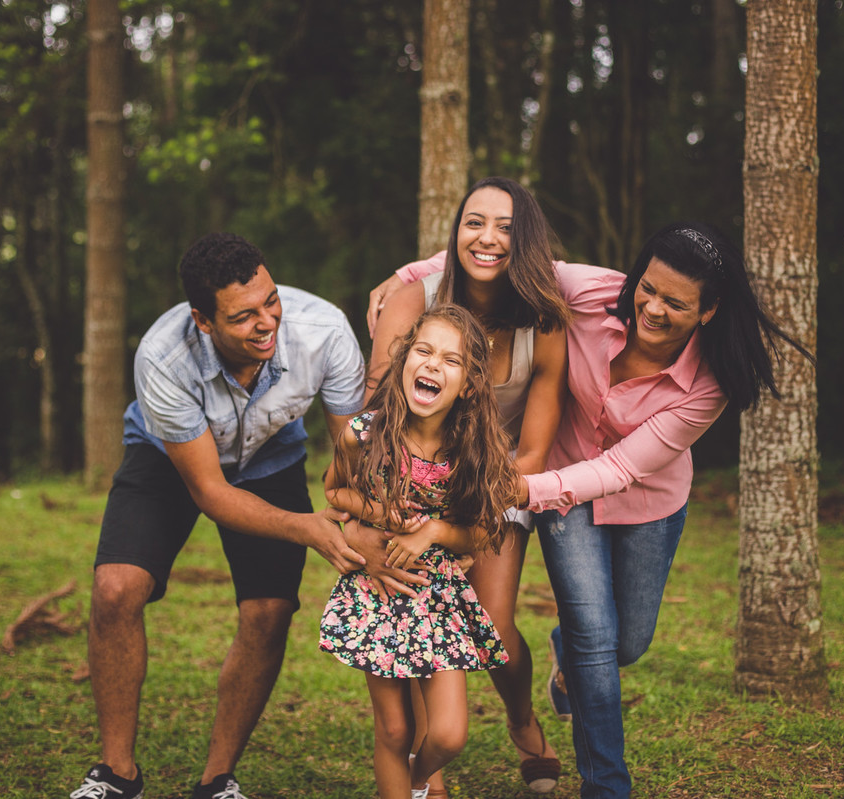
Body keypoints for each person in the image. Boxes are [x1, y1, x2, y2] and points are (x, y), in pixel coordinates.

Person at [372, 222, 813, 798]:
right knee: (596, 638)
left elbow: (619, 470)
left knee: (627, 643)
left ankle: (567, 654)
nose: (651, 308)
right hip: (565, 489)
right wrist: (407, 276)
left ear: (707, 311)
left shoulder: (710, 383)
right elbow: (502, 257)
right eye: (647, 288)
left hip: (646, 502)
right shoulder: (590, 291)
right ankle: (606, 785)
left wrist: (516, 490)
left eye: (675, 303)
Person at [71, 233, 369, 799]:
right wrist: (306, 528)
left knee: (270, 611)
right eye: (243, 316)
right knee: (115, 589)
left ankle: (217, 780)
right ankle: (116, 774)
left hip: (273, 455)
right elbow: (209, 490)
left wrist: (363, 519)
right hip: (169, 459)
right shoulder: (163, 357)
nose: (267, 322)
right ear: (203, 321)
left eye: (271, 301)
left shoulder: (325, 331)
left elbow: (354, 455)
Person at [366, 176, 571, 795]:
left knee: (493, 623)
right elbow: (378, 413)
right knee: (416, 606)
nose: (487, 238)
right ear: (455, 231)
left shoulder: (545, 321)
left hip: (498, 480)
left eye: (506, 227)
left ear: (525, 240)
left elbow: (531, 452)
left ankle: (522, 720)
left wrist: (462, 521)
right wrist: (405, 513)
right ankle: (426, 770)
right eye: (474, 222)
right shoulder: (413, 299)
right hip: (409, 477)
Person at [319, 304, 521, 799]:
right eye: (424, 351)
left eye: (451, 360)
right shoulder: (364, 434)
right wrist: (382, 513)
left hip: (439, 597)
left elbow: (480, 534)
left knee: (448, 735)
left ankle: (415, 779)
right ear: (405, 359)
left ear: (469, 385)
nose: (433, 364)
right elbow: (334, 491)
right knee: (394, 729)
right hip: (380, 588)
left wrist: (431, 531)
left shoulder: (475, 450)